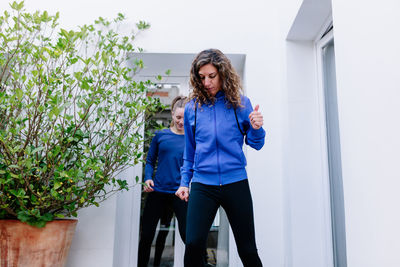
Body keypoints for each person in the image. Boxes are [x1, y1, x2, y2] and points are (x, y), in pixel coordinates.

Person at [175, 49, 265, 267]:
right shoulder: (192, 109)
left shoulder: (240, 104)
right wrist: (184, 182)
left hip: (235, 182)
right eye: (202, 77)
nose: (206, 82)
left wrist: (256, 128)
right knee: (194, 244)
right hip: (203, 184)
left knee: (247, 249)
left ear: (223, 73)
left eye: (211, 76)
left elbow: (256, 144)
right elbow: (190, 151)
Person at [138, 96, 188, 267]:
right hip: (157, 192)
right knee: (146, 236)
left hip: (179, 194)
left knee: (189, 237)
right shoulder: (161, 135)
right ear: (173, 114)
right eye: (178, 117)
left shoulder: (192, 138)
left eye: (185, 117)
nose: (181, 121)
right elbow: (150, 160)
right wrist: (148, 178)